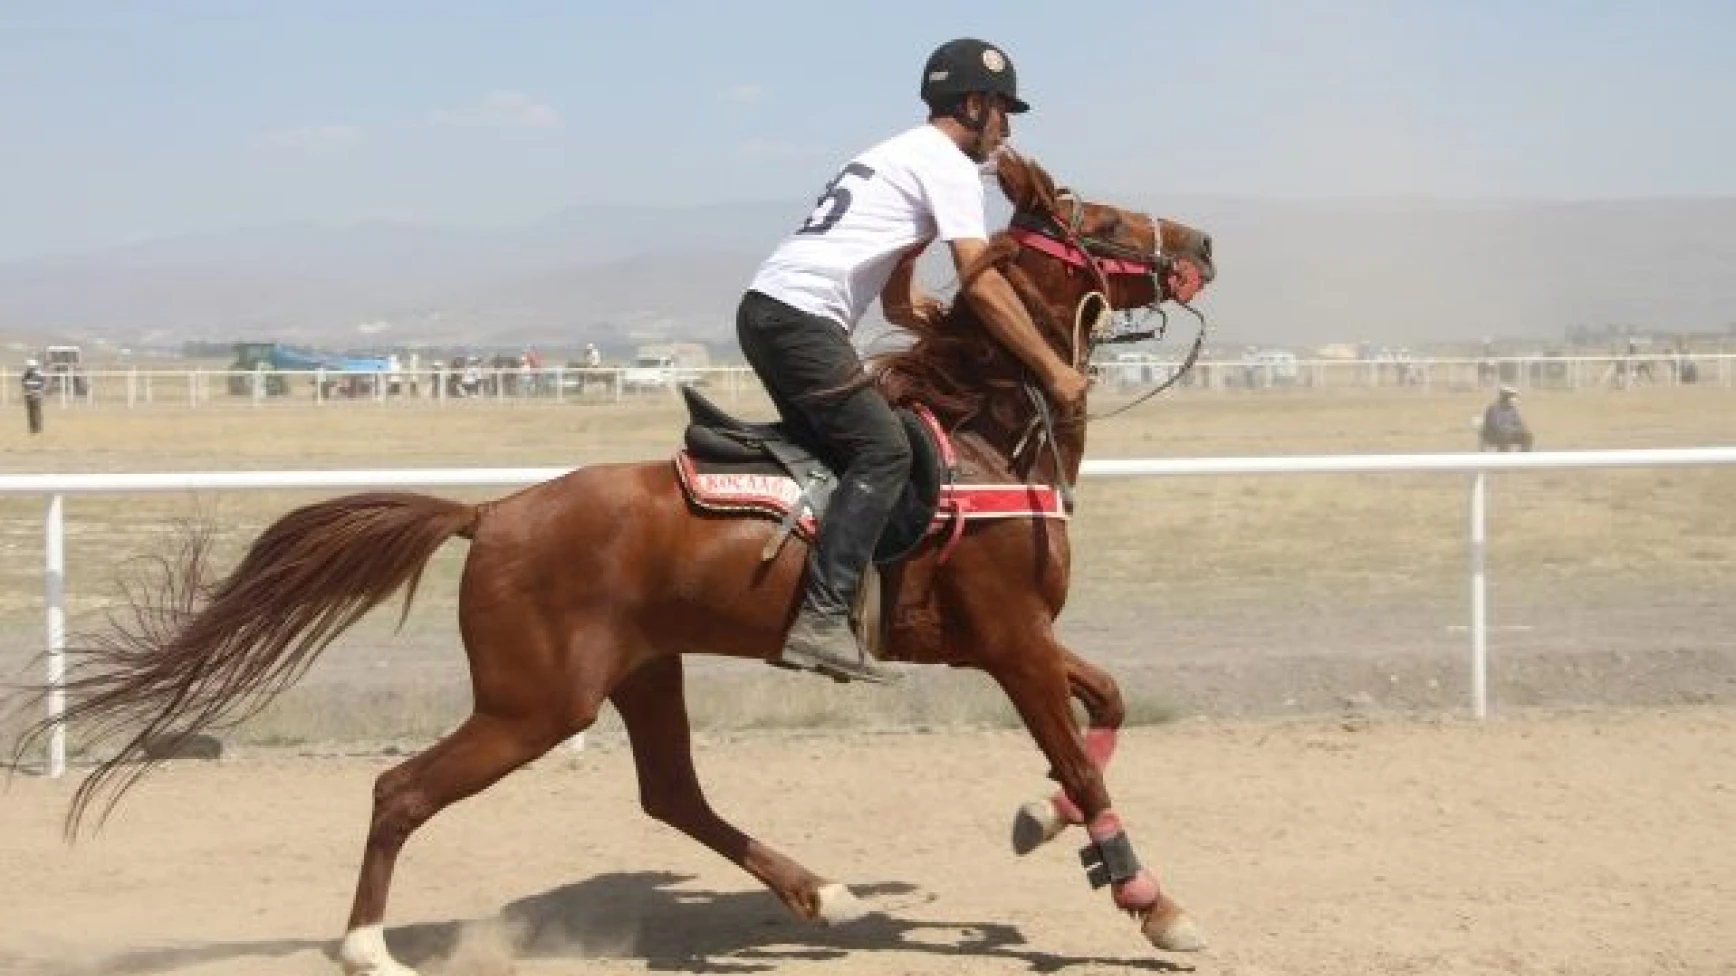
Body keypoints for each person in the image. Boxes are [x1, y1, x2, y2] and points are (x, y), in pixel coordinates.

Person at [736, 38, 1090, 684]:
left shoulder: (894, 154)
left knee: (854, 448)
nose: (1007, 128)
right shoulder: (948, 165)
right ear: (976, 104)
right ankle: (819, 620)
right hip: (798, 321)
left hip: (771, 313)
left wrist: (935, 320)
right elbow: (981, 280)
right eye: (1004, 110)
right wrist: (1053, 368)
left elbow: (899, 301)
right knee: (885, 451)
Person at [1480, 385, 1534, 452]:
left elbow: (1518, 422)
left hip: (1510, 432)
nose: (1512, 399)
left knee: (1527, 436)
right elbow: (1497, 425)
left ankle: (1522, 457)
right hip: (1494, 434)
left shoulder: (1513, 409)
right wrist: (1511, 429)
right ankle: (1504, 458)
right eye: (1509, 397)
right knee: (1505, 436)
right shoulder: (1494, 408)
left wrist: (1520, 428)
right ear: (1503, 397)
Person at [20, 358, 45, 434]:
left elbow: (41, 384)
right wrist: (27, 389)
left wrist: (32, 388)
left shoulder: (39, 374)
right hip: (28, 396)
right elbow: (23, 383)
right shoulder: (26, 374)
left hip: (36, 396)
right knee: (30, 413)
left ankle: (38, 428)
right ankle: (32, 428)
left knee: (36, 412)